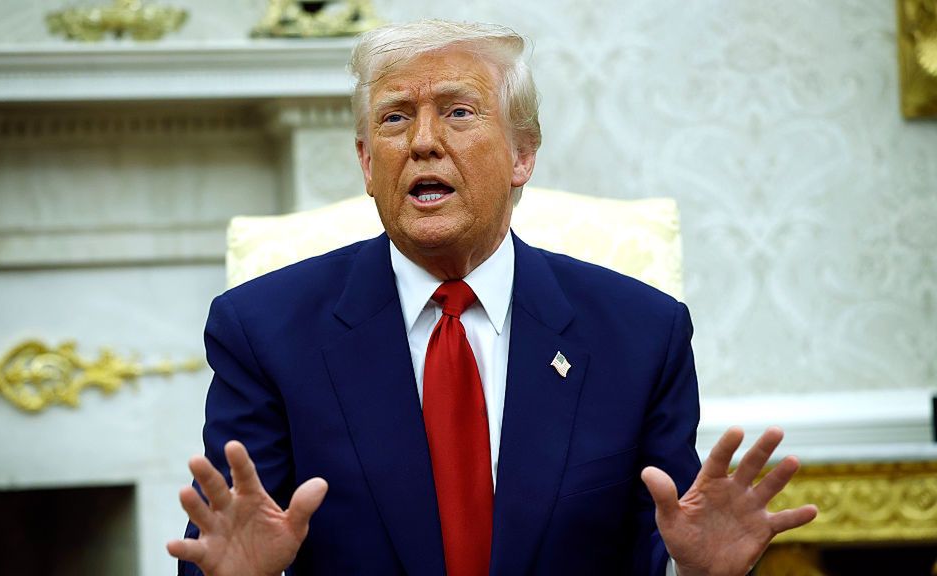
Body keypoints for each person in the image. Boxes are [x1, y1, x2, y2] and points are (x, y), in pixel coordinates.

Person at [168, 19, 817, 576]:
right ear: (368, 163)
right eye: (396, 117)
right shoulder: (264, 331)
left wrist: (694, 572)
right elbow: (229, 541)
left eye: (457, 111)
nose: (423, 140)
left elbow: (662, 543)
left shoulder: (641, 335)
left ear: (522, 155)